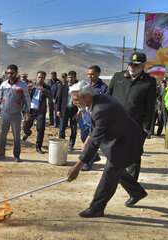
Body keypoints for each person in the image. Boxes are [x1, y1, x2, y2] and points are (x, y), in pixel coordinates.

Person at [67, 80, 148, 218]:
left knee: (110, 173)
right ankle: (137, 192)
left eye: (76, 99)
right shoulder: (97, 100)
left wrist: (78, 166)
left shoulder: (101, 108)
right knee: (117, 169)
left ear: (87, 97)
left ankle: (96, 208)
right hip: (120, 139)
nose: (74, 102)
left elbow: (95, 142)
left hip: (126, 142)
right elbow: (96, 130)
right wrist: (88, 139)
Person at [107, 52, 156, 180]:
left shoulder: (149, 82)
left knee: (134, 156)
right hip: (116, 125)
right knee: (114, 154)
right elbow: (107, 98)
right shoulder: (118, 77)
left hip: (136, 126)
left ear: (143, 66)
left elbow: (150, 107)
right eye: (130, 64)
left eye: (135, 65)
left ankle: (132, 185)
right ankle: (114, 179)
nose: (132, 67)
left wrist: (146, 127)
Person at [0, 64, 31, 162]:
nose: (9, 75)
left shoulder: (22, 85)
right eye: (8, 73)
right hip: (4, 113)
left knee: (16, 136)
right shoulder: (3, 84)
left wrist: (27, 111)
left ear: (16, 73)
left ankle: (16, 155)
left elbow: (27, 99)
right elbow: (0, 97)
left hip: (16, 114)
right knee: (2, 134)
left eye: (12, 73)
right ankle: (1, 154)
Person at [79, 65, 108, 171]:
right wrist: (79, 110)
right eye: (88, 74)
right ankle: (95, 156)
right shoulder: (86, 86)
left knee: (91, 141)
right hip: (85, 117)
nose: (89, 76)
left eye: (92, 74)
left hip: (95, 118)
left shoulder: (103, 88)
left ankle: (88, 162)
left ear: (98, 74)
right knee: (83, 137)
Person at [22, 71, 52, 154]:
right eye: (39, 77)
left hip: (41, 111)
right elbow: (24, 95)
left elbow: (50, 96)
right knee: (25, 127)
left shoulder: (46, 87)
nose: (40, 79)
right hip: (31, 110)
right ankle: (28, 133)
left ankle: (38, 147)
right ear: (36, 77)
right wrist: (27, 89)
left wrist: (43, 90)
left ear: (44, 78)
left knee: (41, 128)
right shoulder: (32, 85)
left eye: (42, 77)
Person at [56, 71, 79, 151]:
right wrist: (58, 110)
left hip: (74, 110)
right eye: (69, 77)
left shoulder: (78, 87)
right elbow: (59, 99)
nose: (70, 79)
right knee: (62, 128)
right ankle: (62, 144)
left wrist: (80, 111)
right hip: (64, 110)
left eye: (72, 77)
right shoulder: (63, 86)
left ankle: (71, 145)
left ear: (75, 78)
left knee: (74, 128)